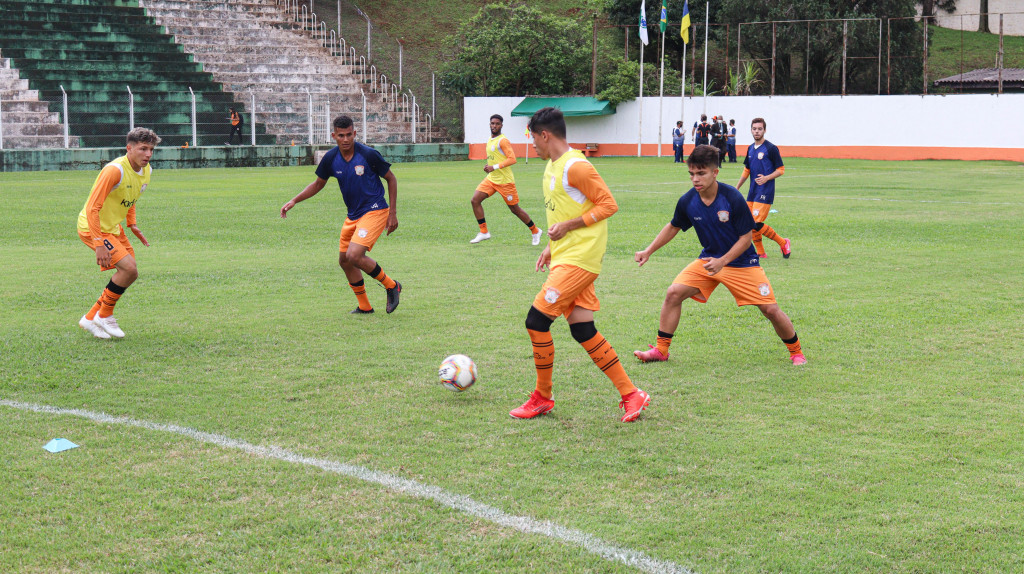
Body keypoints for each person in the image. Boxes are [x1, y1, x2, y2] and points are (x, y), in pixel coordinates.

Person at [510, 107, 650, 423]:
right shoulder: (551, 167)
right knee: (583, 330)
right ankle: (631, 394)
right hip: (566, 257)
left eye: (533, 137)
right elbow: (562, 216)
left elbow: (608, 205)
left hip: (580, 260)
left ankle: (542, 397)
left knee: (536, 322)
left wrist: (569, 228)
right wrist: (551, 246)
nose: (532, 144)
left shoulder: (576, 166)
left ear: (545, 135)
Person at [632, 145, 806, 366]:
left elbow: (746, 239)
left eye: (701, 173)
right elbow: (673, 226)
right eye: (692, 174)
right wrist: (648, 251)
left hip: (742, 264)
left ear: (715, 173)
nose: (695, 179)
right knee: (673, 293)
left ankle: (796, 352)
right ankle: (661, 350)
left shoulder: (732, 198)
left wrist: (723, 261)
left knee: (770, 309)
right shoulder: (688, 201)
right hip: (709, 261)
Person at [280, 115, 402, 314]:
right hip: (353, 215)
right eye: (341, 136)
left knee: (354, 255)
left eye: (349, 135)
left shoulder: (368, 154)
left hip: (375, 210)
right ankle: (365, 306)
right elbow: (318, 184)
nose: (345, 140)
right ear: (334, 136)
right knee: (344, 260)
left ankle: (392, 286)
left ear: (354, 133)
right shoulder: (331, 158)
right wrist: (294, 200)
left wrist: (393, 213)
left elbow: (391, 178)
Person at [77, 127, 161, 339]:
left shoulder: (146, 170)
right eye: (143, 149)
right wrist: (98, 243)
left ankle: (89, 318)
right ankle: (104, 315)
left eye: (151, 149)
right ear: (129, 148)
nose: (148, 154)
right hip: (92, 228)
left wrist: (132, 224)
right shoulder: (114, 170)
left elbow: (130, 196)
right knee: (129, 270)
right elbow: (92, 208)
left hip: (114, 228)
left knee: (128, 273)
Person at [470, 114, 542, 245]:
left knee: (515, 210)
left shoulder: (503, 140)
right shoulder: (490, 139)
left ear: (501, 125)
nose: (494, 126)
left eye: (497, 124)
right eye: (492, 123)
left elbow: (512, 159)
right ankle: (484, 232)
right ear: (489, 124)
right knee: (475, 200)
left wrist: (494, 167)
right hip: (491, 179)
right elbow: (495, 158)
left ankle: (535, 231)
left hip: (505, 182)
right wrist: (489, 168)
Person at [735, 117, 791, 259]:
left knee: (755, 223)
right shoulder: (750, 149)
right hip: (752, 192)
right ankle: (760, 253)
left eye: (760, 129)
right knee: (750, 223)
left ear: (764, 130)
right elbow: (747, 170)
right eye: (754, 129)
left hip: (765, 192)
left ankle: (783, 242)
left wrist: (767, 178)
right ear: (751, 130)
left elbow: (781, 169)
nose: (757, 131)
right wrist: (737, 187)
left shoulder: (771, 149)